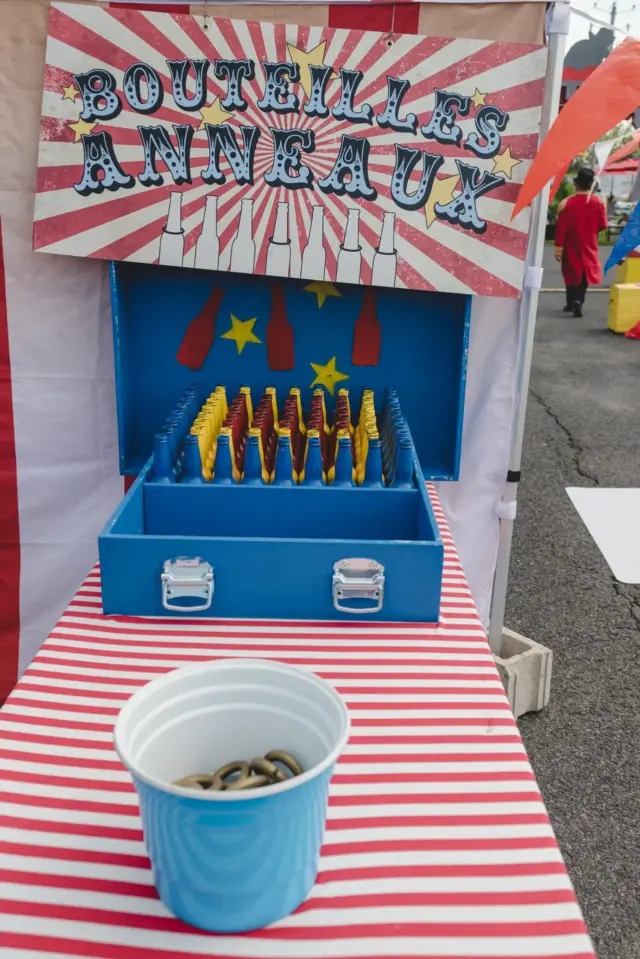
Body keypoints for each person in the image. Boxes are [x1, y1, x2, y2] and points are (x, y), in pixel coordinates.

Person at [554, 167, 607, 317]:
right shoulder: (598, 203)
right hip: (589, 243)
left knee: (570, 273)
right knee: (584, 274)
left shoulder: (566, 204)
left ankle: (571, 302)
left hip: (571, 244)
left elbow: (561, 229)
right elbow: (603, 225)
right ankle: (579, 300)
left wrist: (559, 248)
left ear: (576, 185)